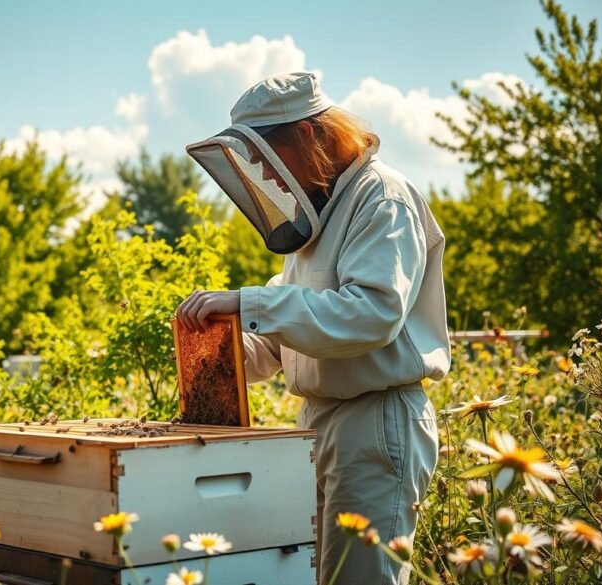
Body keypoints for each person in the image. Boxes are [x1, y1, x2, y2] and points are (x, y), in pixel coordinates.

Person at [176, 71, 450, 584]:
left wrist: (250, 301)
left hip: (374, 421)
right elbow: (292, 339)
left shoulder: (381, 199)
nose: (267, 177)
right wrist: (222, 341)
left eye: (267, 158)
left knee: (359, 579)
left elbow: (371, 316)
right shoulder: (316, 221)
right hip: (318, 424)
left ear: (306, 135)